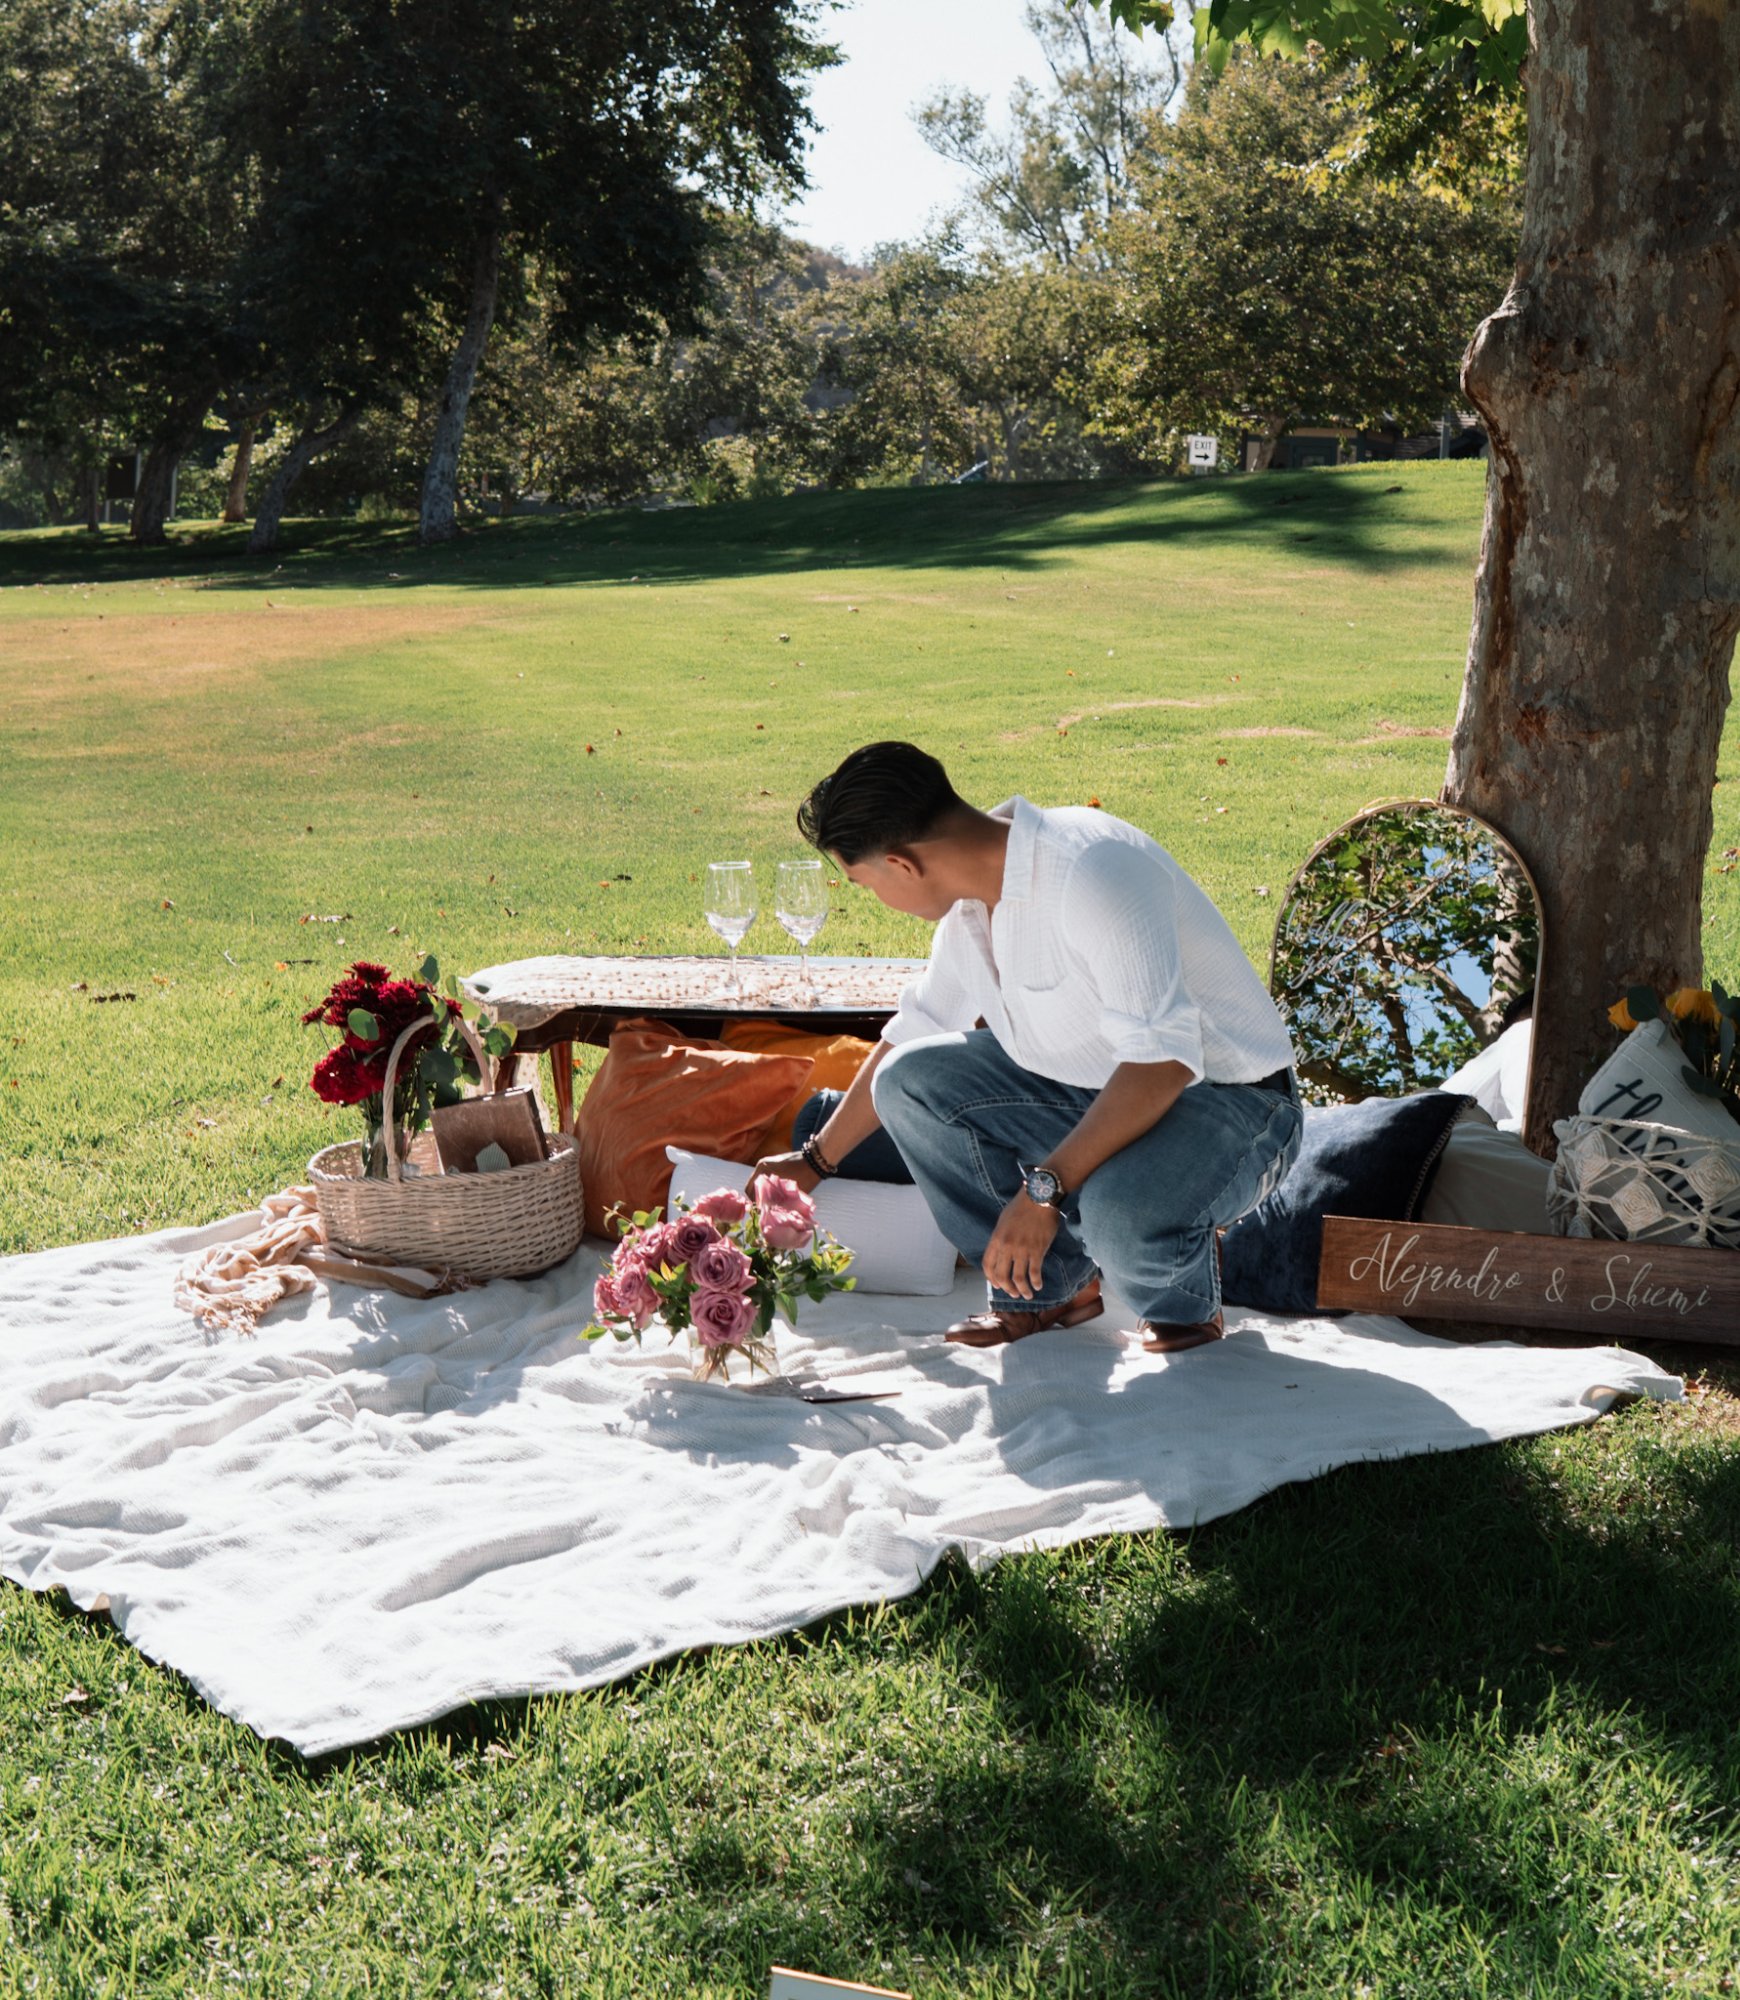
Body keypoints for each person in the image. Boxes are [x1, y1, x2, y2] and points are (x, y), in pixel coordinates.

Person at [752, 742, 1303, 1352]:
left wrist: (1044, 1189)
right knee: (908, 1079)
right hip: (1098, 1090)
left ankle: (1181, 1303)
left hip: (1235, 1103)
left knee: (1116, 1213)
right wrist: (815, 1161)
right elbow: (915, 1030)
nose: (872, 897)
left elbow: (1164, 1063)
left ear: (901, 865)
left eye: (862, 882)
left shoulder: (1093, 868)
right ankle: (1051, 1292)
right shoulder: (969, 904)